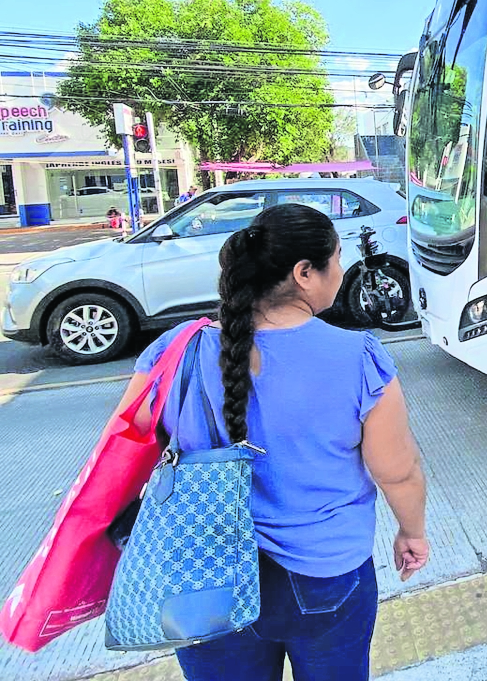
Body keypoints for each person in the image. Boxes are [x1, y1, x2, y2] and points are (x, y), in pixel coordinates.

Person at [110, 203, 429, 681]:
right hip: (324, 574)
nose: (340, 272)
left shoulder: (176, 348)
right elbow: (397, 471)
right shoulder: (357, 356)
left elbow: (125, 447)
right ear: (305, 273)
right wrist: (412, 531)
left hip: (199, 575)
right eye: (336, 260)